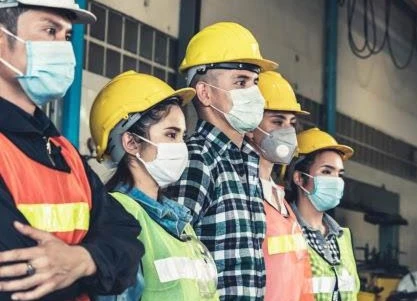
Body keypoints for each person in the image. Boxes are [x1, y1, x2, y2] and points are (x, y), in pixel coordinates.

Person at [0, 2, 143, 301]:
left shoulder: (62, 150)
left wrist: (81, 261)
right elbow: (17, 280)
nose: (64, 49)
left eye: (66, 36)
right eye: (50, 30)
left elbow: (128, 239)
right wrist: (97, 264)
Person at [166, 22, 277, 300]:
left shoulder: (248, 162)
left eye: (255, 83)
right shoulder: (196, 160)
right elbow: (176, 258)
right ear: (204, 93)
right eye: (240, 82)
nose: (255, 94)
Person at [89, 71, 219, 301]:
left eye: (182, 136)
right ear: (130, 142)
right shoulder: (120, 216)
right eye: (171, 135)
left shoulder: (179, 222)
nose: (181, 147)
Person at [246, 71, 313, 301]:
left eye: (291, 123)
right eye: (277, 121)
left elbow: (302, 280)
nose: (286, 131)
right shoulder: (242, 196)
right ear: (250, 124)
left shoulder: (281, 200)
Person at [286, 128, 360, 301]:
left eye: (339, 174)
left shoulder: (342, 237)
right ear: (299, 178)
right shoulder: (284, 232)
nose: (336, 180)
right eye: (326, 171)